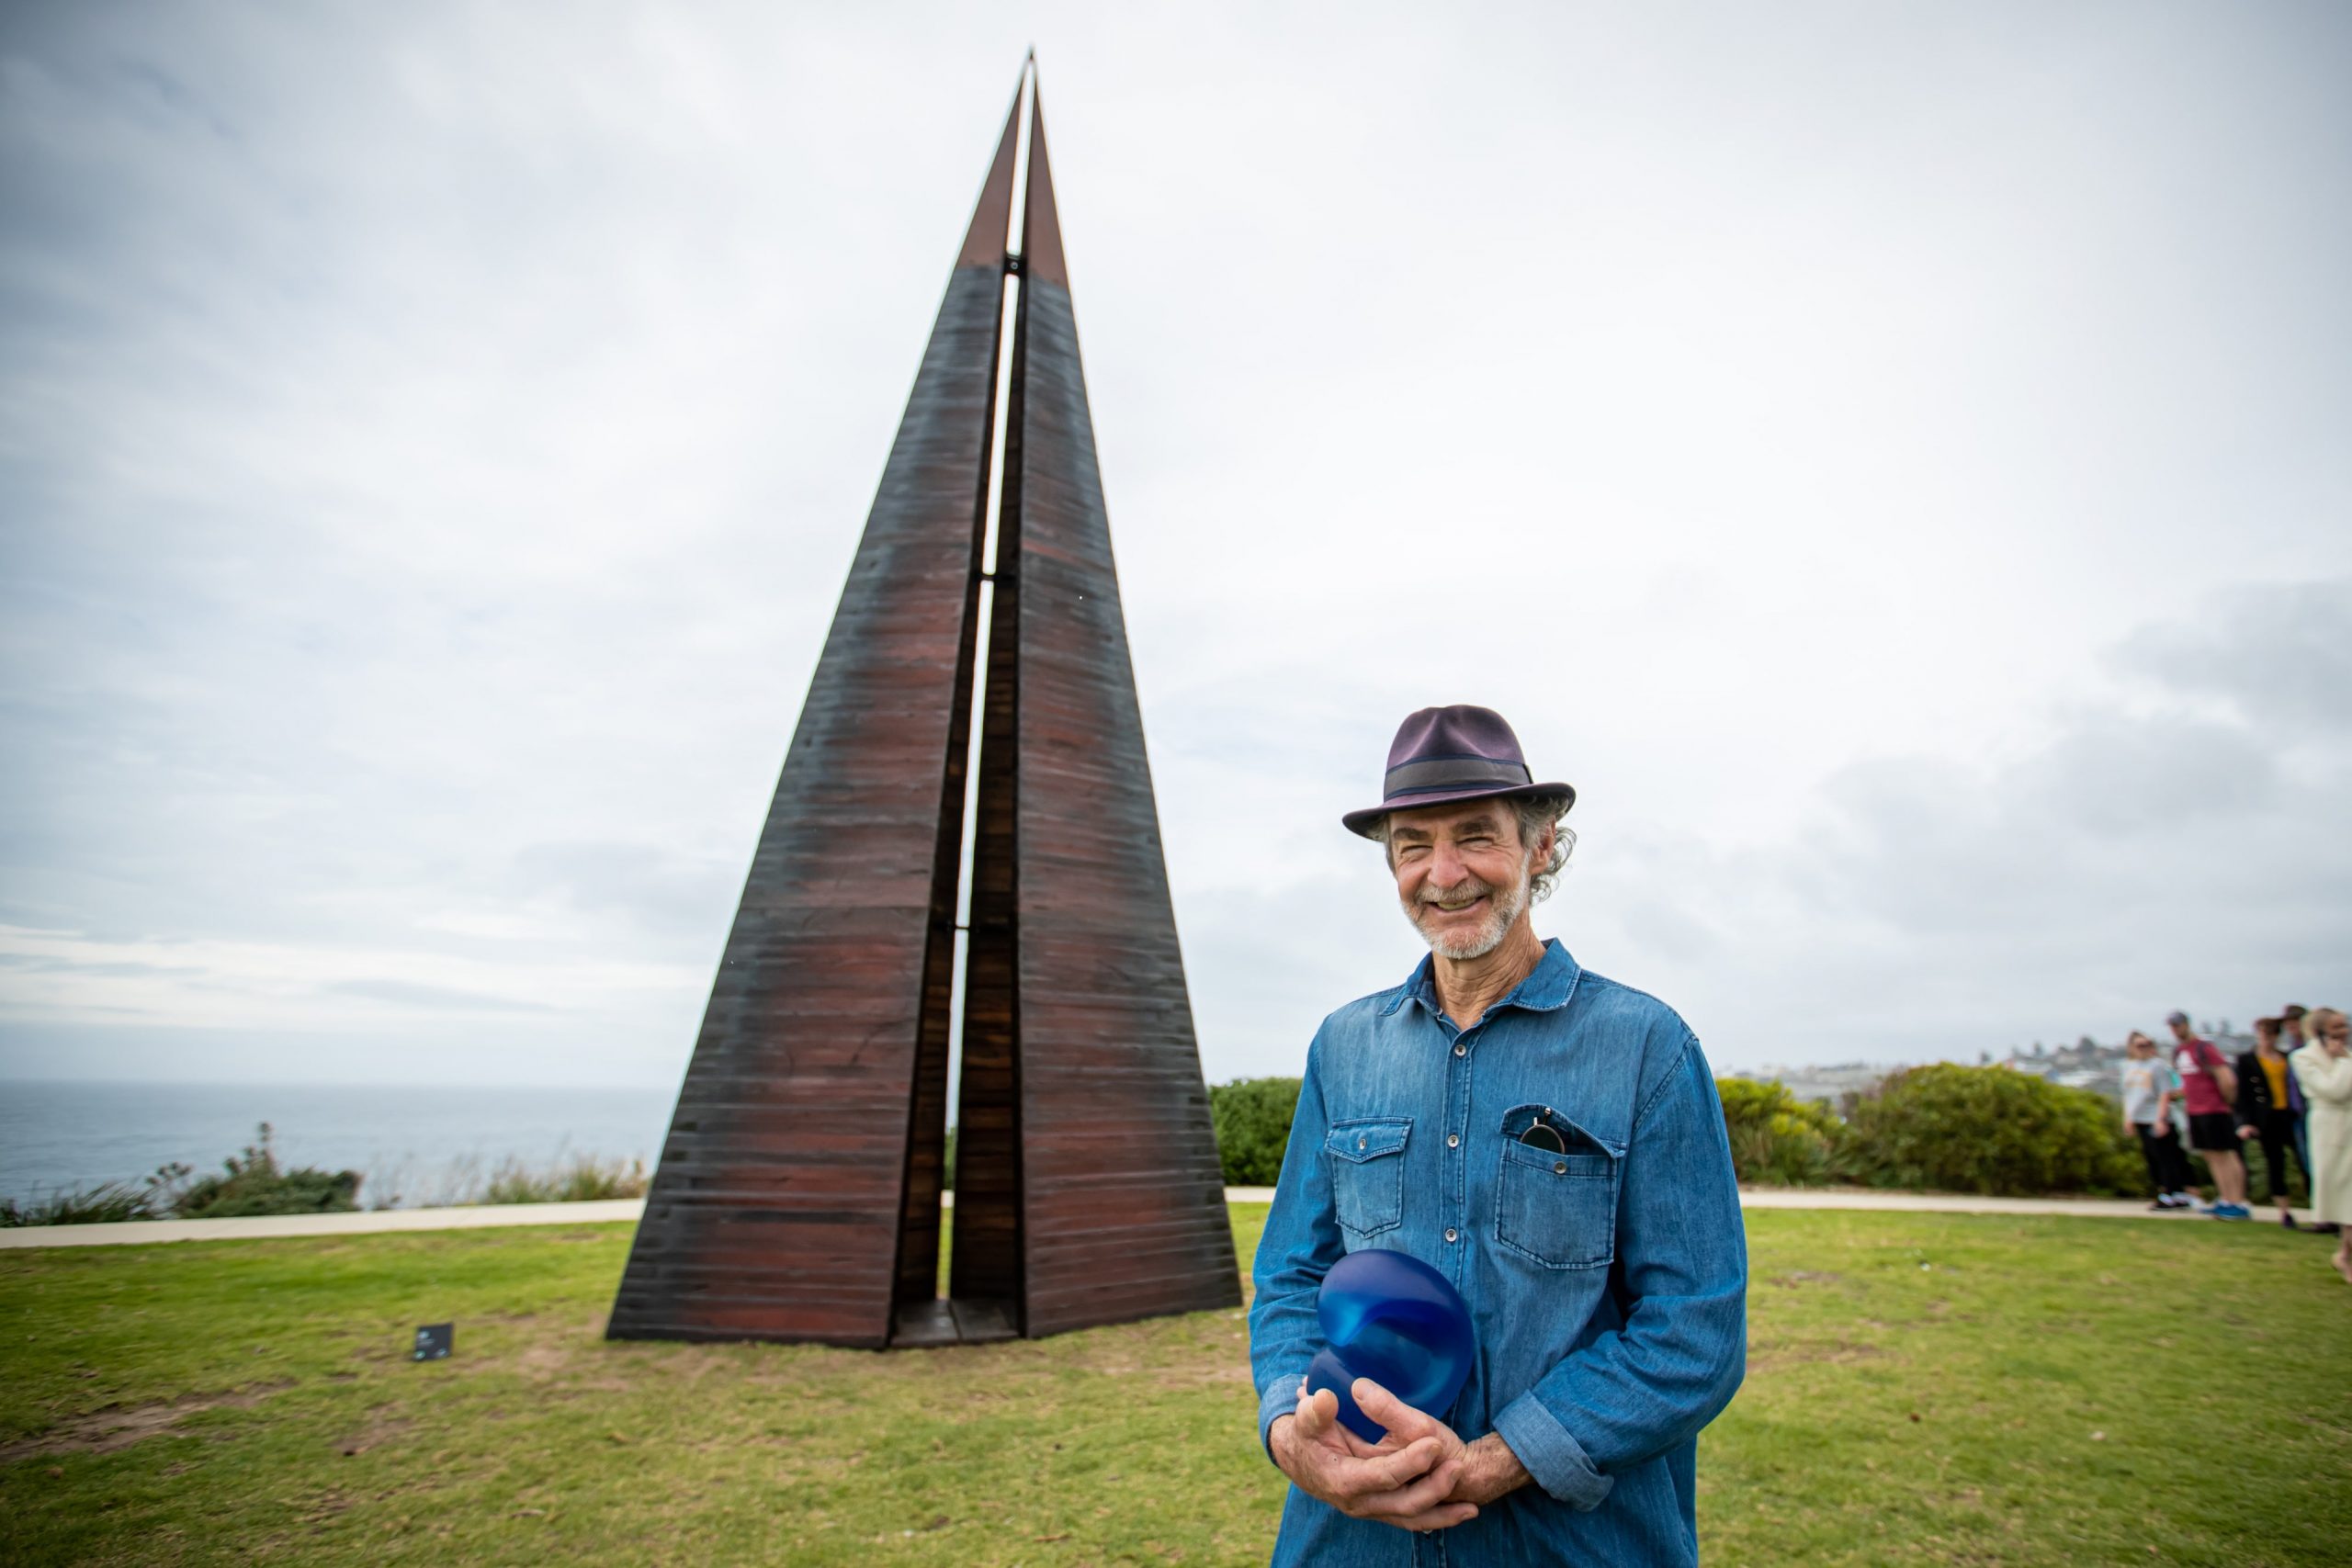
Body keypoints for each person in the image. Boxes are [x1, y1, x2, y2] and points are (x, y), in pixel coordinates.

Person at [1250, 705, 1746, 1565]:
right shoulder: (1344, 1046)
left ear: (1541, 845)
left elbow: (1694, 1329)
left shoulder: (1646, 1047)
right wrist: (1291, 1432)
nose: (1443, 873)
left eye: (1476, 836)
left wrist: (1496, 1460)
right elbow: (1294, 1276)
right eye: (1412, 845)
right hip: (1351, 1543)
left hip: (1573, 1545)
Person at [2287, 1008, 2352, 1283]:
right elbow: (2333, 1090)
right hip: (2330, 1129)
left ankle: (2344, 1255)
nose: (2343, 1031)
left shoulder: (2347, 1055)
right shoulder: (2303, 1058)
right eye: (2336, 1026)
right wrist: (2343, 1062)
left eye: (2344, 1025)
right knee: (2343, 1196)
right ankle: (2345, 1257)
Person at [2167, 1010, 2249, 1219]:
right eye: (2172, 1026)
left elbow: (2227, 1078)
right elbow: (2188, 1082)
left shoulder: (2204, 1048)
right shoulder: (2179, 1052)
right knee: (2211, 1156)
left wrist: (2227, 1102)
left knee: (2226, 1155)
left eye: (2178, 1025)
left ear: (2186, 1024)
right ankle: (2225, 1198)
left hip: (2214, 1109)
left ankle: (2237, 1202)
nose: (2176, 1030)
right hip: (2194, 1110)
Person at [2233, 1018, 2309, 1228]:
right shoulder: (2247, 1060)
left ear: (2276, 1036)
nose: (2265, 1039)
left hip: (2290, 1115)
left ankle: (2318, 1210)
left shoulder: (2288, 1058)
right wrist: (2245, 1122)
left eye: (2269, 1035)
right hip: (2267, 1119)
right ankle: (2285, 1212)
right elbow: (2243, 1096)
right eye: (2261, 1034)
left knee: (2305, 1162)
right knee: (2276, 1163)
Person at [2120, 1031, 2194, 1209]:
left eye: (2148, 1044)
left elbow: (2164, 1093)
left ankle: (2172, 1193)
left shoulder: (2157, 1066)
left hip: (2156, 1117)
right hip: (2140, 1118)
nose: (2144, 1049)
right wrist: (2128, 1118)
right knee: (2153, 1157)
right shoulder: (2128, 1067)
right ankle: (2170, 1192)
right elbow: (2129, 1095)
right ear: (2131, 1048)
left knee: (2166, 1157)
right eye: (2140, 1045)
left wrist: (2160, 1119)